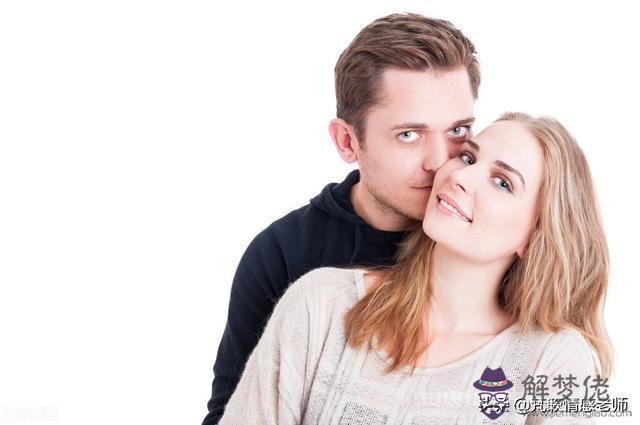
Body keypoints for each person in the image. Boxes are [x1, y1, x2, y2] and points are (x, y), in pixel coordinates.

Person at [219, 112, 613, 424]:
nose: (461, 176)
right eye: (468, 157)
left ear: (534, 235)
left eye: (502, 182)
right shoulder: (321, 306)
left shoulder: (553, 362)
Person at [203, 13, 480, 424]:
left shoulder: (492, 237)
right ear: (347, 141)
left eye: (457, 130)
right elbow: (232, 412)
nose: (440, 160)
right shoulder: (284, 255)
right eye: (409, 134)